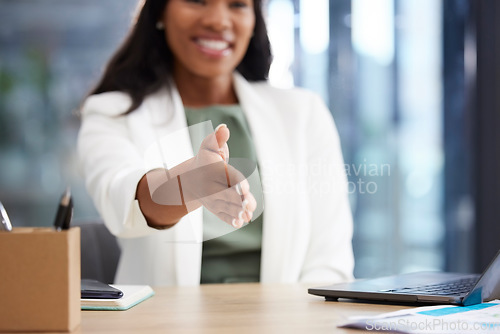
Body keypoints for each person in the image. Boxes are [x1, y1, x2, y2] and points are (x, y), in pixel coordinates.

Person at [77, 0, 354, 286]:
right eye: (197, 1)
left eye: (237, 5)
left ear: (254, 21)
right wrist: (190, 185)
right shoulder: (111, 112)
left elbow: (329, 261)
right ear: (160, 12)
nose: (219, 20)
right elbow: (121, 200)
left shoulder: (303, 112)